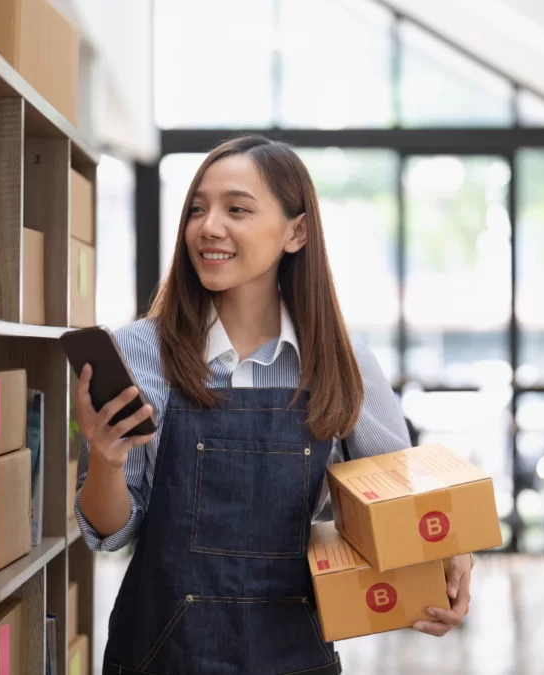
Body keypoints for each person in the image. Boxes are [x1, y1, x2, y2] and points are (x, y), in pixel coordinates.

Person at [73, 135, 474, 675]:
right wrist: (107, 460)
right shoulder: (137, 352)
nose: (208, 226)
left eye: (236, 209)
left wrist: (452, 554)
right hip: (158, 656)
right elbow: (109, 532)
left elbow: (397, 503)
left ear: (296, 231)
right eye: (197, 209)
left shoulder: (340, 360)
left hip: (293, 657)